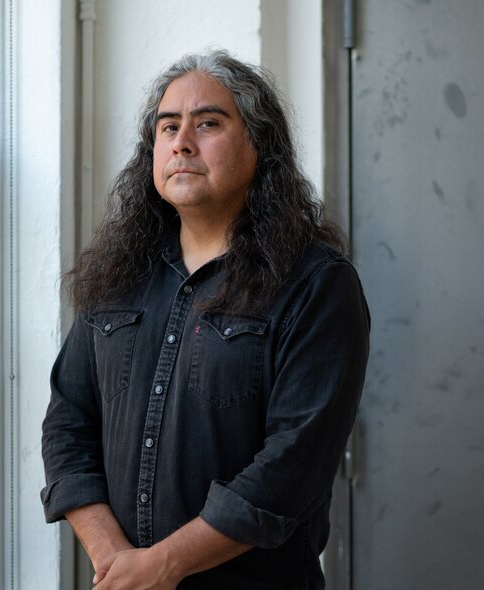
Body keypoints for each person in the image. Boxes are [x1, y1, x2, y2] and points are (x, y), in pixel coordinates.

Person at [41, 50, 370, 590]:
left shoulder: (317, 284)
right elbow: (68, 423)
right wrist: (119, 562)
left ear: (259, 147)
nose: (182, 142)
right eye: (168, 126)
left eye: (208, 123)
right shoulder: (118, 274)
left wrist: (162, 566)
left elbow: (291, 467)